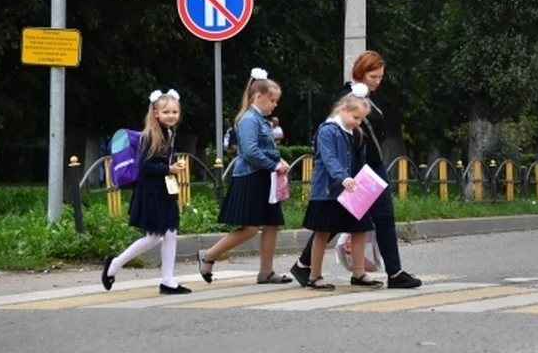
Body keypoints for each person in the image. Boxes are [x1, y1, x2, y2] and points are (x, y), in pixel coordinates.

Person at [290, 50, 422, 289]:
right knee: (332, 221)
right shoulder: (348, 99)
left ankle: (392, 272)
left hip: (370, 166)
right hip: (353, 171)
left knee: (377, 218)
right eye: (373, 76)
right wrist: (344, 175)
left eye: (381, 76)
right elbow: (338, 144)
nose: (377, 81)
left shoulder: (371, 97)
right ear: (360, 73)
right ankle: (306, 266)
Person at [197, 68, 292, 284]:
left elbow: (264, 148)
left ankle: (266, 271)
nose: (275, 105)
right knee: (249, 228)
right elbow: (249, 151)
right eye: (272, 100)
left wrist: (279, 160)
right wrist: (273, 165)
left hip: (264, 177)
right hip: (250, 177)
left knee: (272, 223)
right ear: (258, 97)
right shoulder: (250, 119)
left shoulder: (261, 120)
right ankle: (209, 254)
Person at [101, 90, 190, 294]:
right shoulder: (150, 135)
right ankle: (114, 264)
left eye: (175, 111)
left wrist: (171, 165)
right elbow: (145, 167)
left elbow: (159, 163)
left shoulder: (169, 133)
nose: (171, 115)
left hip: (164, 191)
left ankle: (167, 281)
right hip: (151, 193)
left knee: (170, 234)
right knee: (154, 237)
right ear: (156, 113)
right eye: (166, 111)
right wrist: (169, 169)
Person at [302, 93, 382, 290]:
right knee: (322, 231)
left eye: (361, 119)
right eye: (355, 117)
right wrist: (342, 177)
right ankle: (314, 275)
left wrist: (365, 182)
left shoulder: (355, 133)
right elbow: (329, 158)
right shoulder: (328, 130)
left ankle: (358, 272)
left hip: (352, 190)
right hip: (329, 190)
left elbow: (359, 161)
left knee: (359, 228)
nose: (358, 122)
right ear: (342, 109)